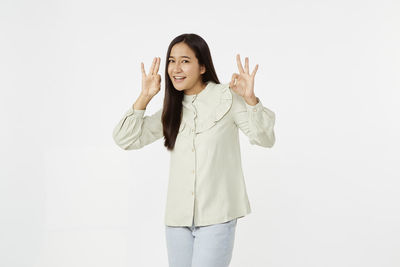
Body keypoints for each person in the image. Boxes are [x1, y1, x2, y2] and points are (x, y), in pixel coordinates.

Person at [112, 33, 276, 267]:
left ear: (202, 66)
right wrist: (145, 97)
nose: (176, 68)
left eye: (185, 61)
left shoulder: (228, 97)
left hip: (217, 216)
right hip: (177, 220)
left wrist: (250, 100)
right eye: (171, 60)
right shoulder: (172, 109)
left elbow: (265, 138)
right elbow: (124, 139)